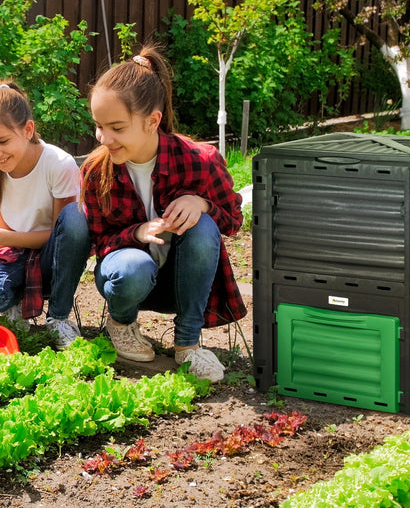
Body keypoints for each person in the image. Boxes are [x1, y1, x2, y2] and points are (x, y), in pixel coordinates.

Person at [80, 45, 247, 382]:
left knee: (203, 228)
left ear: (152, 121)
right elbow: (99, 242)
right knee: (133, 266)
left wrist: (202, 204)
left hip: (181, 284)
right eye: (99, 126)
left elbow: (232, 220)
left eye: (117, 127)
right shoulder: (96, 170)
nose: (104, 138)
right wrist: (137, 233)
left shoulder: (199, 160)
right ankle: (122, 324)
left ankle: (188, 346)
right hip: (127, 280)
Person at [0, 81, 90, 349]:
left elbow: (66, 234)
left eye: (3, 141)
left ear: (28, 130)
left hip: (54, 259)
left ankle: (58, 318)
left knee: (76, 217)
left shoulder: (58, 164)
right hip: (12, 254)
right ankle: (11, 305)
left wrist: (6, 237)